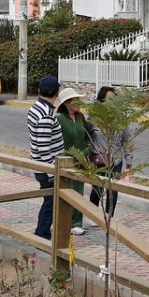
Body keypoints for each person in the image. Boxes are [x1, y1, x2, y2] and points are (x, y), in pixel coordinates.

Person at [88, 86, 134, 219]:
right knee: (97, 188)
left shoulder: (121, 119)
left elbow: (127, 140)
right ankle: (93, 215)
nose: (112, 102)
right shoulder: (94, 118)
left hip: (116, 160)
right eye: (109, 99)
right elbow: (87, 138)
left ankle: (109, 217)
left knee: (112, 191)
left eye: (114, 99)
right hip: (99, 159)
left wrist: (129, 161)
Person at [27, 76, 64, 240]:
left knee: (50, 201)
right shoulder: (46, 115)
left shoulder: (36, 107)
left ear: (38, 91)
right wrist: (51, 173)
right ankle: (42, 234)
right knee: (51, 202)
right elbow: (43, 147)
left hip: (39, 163)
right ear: (57, 93)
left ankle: (44, 233)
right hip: (46, 167)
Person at [55, 87, 92, 235]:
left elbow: (89, 139)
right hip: (65, 162)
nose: (79, 103)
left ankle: (76, 223)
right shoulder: (59, 119)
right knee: (64, 191)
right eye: (76, 101)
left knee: (78, 191)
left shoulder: (81, 118)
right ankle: (62, 221)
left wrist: (85, 153)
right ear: (67, 103)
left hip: (81, 162)